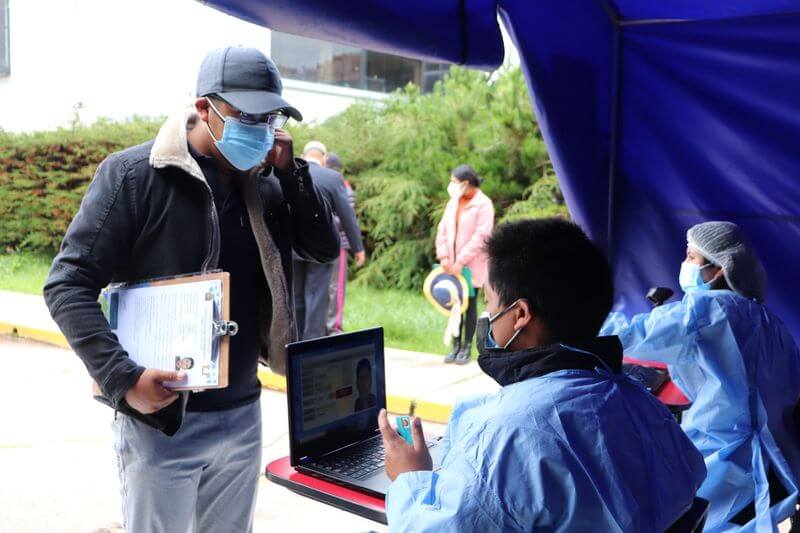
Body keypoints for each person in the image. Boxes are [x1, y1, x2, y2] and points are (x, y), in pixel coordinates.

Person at [43, 46, 339, 532]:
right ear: (205, 108)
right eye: (248, 116)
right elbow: (67, 285)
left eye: (272, 118)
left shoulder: (264, 184)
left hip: (243, 415)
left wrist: (292, 174)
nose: (262, 129)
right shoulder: (136, 177)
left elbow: (323, 249)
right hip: (163, 421)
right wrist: (123, 379)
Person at [379, 218, 707, 531]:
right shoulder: (639, 401)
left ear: (520, 314)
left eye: (491, 302)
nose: (487, 316)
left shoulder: (508, 433)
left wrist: (409, 478)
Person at [600, 221, 800, 531]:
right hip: (780, 461)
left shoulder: (708, 309)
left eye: (691, 257)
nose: (685, 264)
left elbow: (632, 335)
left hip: (726, 460)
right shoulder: (773, 324)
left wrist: (586, 320)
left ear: (719, 269)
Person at [293, 141, 365, 340]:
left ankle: (295, 341)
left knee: (296, 295)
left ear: (303, 154)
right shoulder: (332, 177)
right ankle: (312, 343)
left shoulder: (289, 172)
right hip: (321, 249)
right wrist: (358, 247)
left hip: (292, 247)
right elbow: (347, 215)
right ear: (324, 158)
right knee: (316, 297)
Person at [435, 164, 494, 364]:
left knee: (468, 307)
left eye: (454, 181)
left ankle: (467, 347)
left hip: (471, 267)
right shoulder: (453, 202)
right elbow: (442, 230)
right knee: (453, 304)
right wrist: (444, 257)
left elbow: (482, 236)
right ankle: (455, 345)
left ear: (465, 183)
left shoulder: (483, 204)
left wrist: (461, 261)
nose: (451, 185)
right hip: (451, 265)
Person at [324, 152, 363, 335]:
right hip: (324, 243)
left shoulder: (343, 187)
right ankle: (325, 325)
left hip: (339, 243)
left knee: (336, 287)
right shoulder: (328, 183)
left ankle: (335, 327)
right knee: (324, 287)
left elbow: (346, 218)